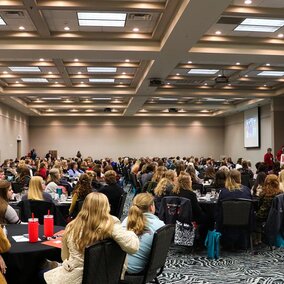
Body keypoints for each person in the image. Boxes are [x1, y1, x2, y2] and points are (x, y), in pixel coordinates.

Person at [44, 192, 139, 284]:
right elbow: (133, 247)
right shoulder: (110, 225)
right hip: (103, 277)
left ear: (84, 206)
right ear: (106, 207)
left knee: (42, 271)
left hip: (73, 277)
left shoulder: (70, 227)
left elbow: (64, 257)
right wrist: (130, 232)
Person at [122, 193, 164, 274]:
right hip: (140, 269)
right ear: (151, 207)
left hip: (119, 267)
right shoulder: (160, 226)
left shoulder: (126, 220)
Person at [216, 169, 252, 249]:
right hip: (244, 222)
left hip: (226, 223)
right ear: (239, 178)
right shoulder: (247, 190)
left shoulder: (224, 192)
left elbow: (218, 209)